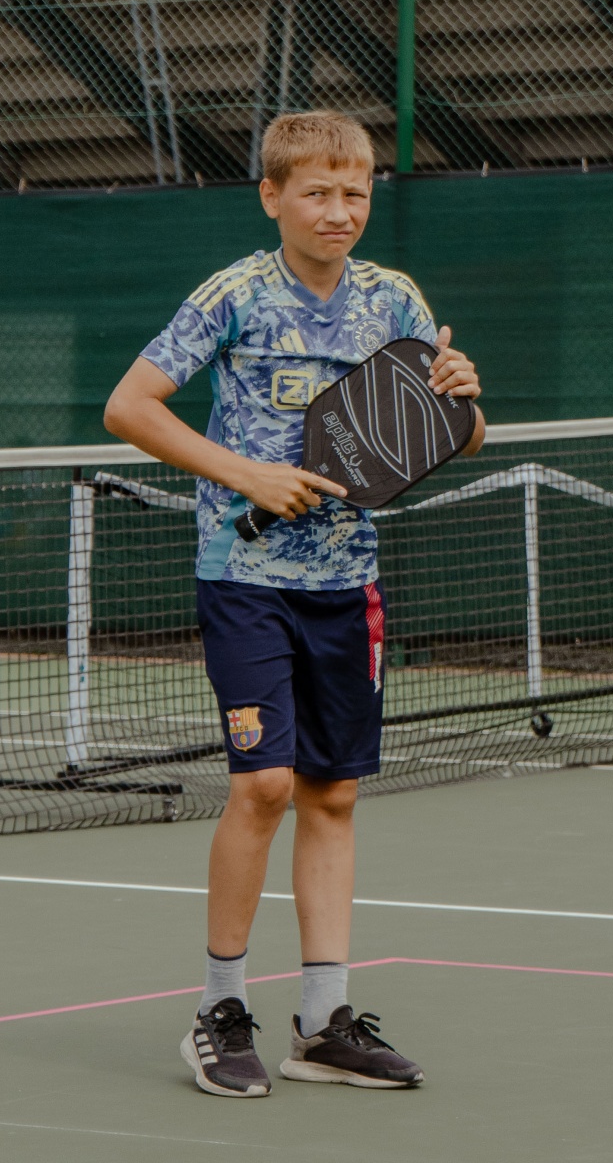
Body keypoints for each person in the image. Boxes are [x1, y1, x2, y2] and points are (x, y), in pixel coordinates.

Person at [104, 111, 484, 1098]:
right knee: (264, 785)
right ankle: (219, 1010)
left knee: (334, 793)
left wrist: (461, 398)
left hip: (347, 585)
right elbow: (129, 406)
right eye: (317, 192)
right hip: (245, 578)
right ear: (272, 196)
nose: (338, 210)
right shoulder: (233, 295)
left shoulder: (394, 299)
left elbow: (449, 432)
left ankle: (322, 1025)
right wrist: (248, 476)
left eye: (355, 192)